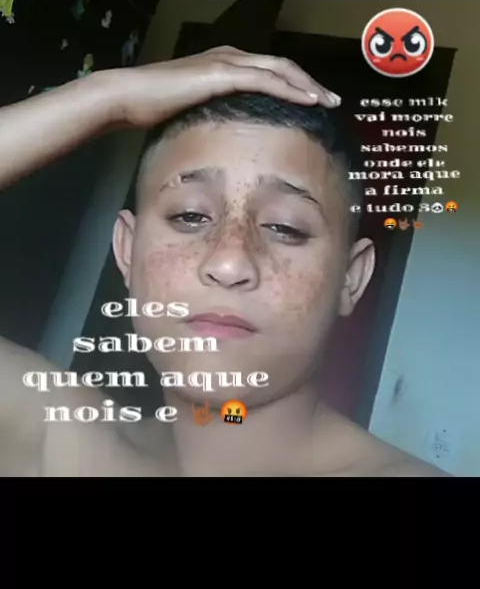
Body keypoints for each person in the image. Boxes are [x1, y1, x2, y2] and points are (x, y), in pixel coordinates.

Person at [0, 46, 446, 477]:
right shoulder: (54, 441)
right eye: (190, 216)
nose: (230, 263)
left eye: (285, 227)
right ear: (127, 249)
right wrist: (110, 96)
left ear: (351, 278)